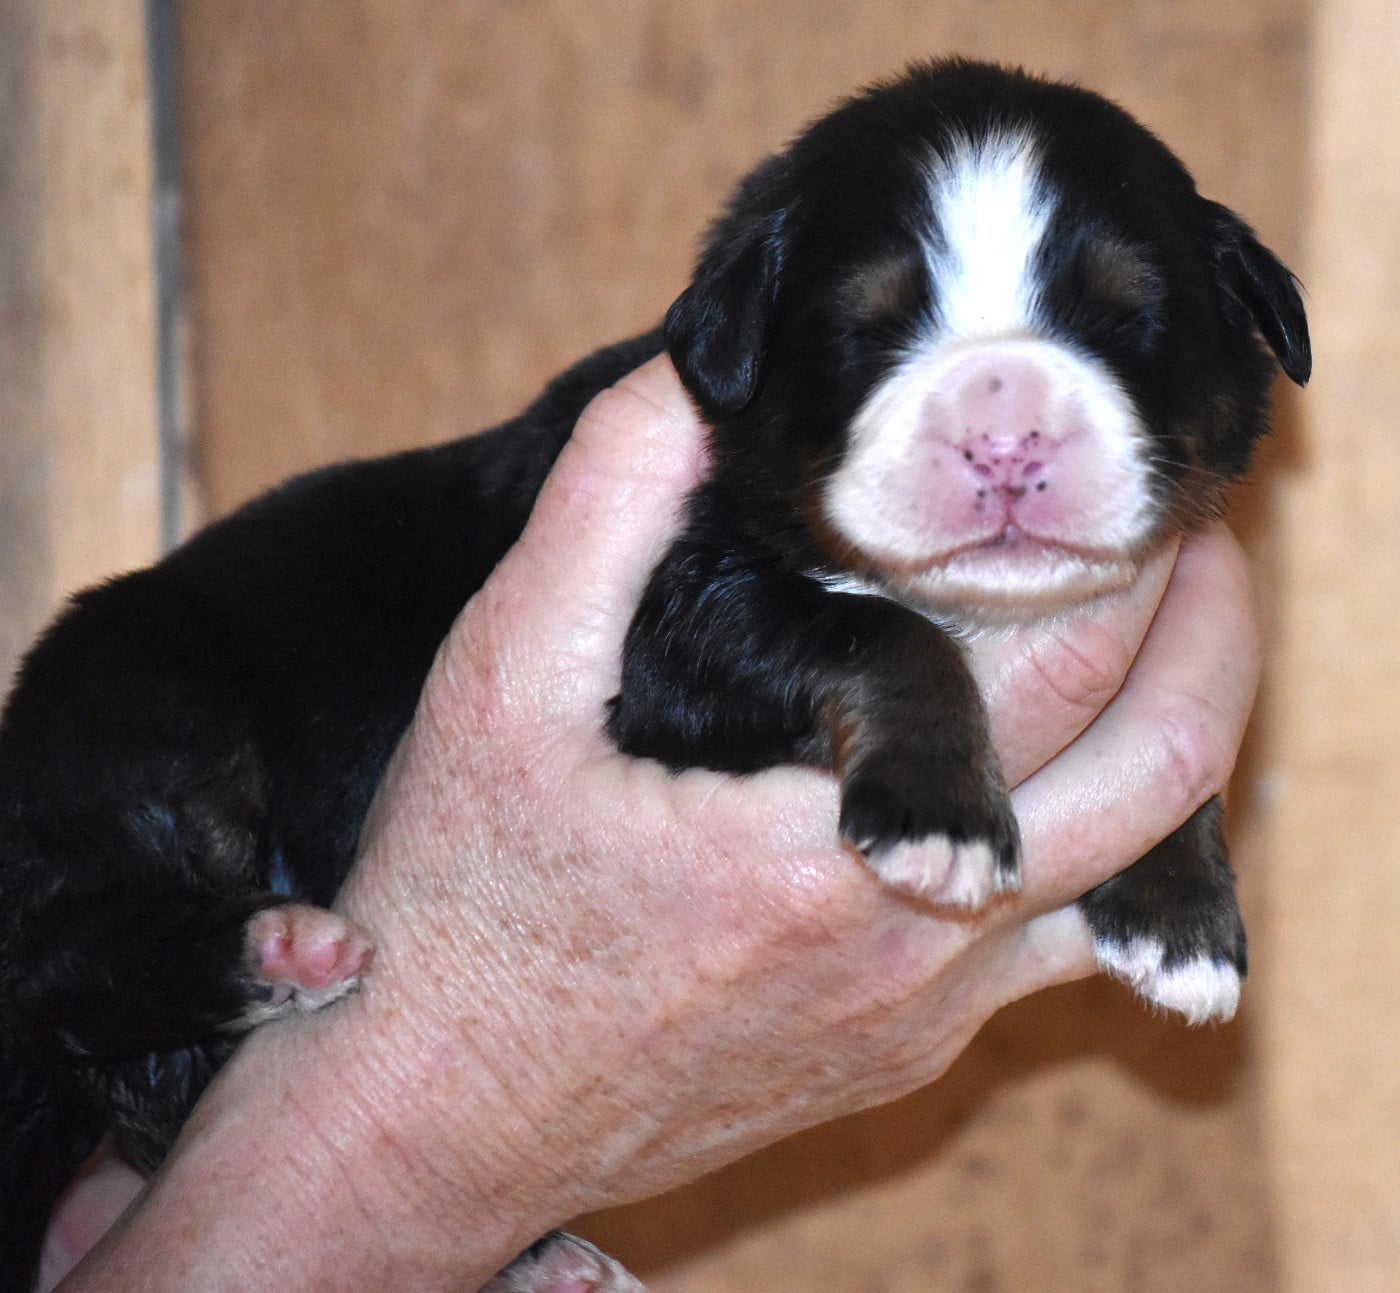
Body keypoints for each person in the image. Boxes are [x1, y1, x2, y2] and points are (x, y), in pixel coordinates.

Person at [43, 356, 1260, 1290]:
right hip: (185, 740)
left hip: (208, 1013)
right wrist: (400, 1156)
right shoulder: (720, 466)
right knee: (121, 780)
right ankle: (159, 980)